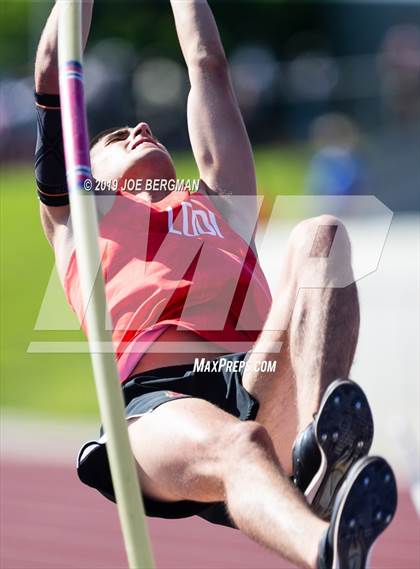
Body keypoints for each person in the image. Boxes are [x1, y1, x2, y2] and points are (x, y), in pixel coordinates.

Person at [34, 2, 397, 568]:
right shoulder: (78, 220)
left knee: (322, 236)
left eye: (142, 126)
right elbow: (57, 67)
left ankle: (321, 447)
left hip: (256, 376)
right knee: (238, 444)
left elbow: (207, 63)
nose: (140, 128)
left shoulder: (220, 202)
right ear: (85, 165)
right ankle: (327, 551)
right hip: (159, 405)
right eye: (115, 135)